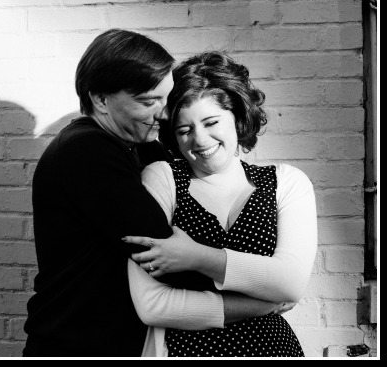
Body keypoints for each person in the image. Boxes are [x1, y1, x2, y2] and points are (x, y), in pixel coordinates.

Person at [123, 51, 317, 357]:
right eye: (184, 130)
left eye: (211, 122)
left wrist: (196, 257)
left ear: (238, 119)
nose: (200, 140)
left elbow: (290, 283)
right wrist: (263, 304)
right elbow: (152, 305)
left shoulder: (287, 182)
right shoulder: (162, 178)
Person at [22, 29, 178, 357]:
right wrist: (248, 291)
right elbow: (158, 248)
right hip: (74, 345)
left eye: (166, 98)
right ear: (100, 99)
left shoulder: (138, 144)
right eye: (148, 101)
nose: (163, 114)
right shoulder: (86, 151)